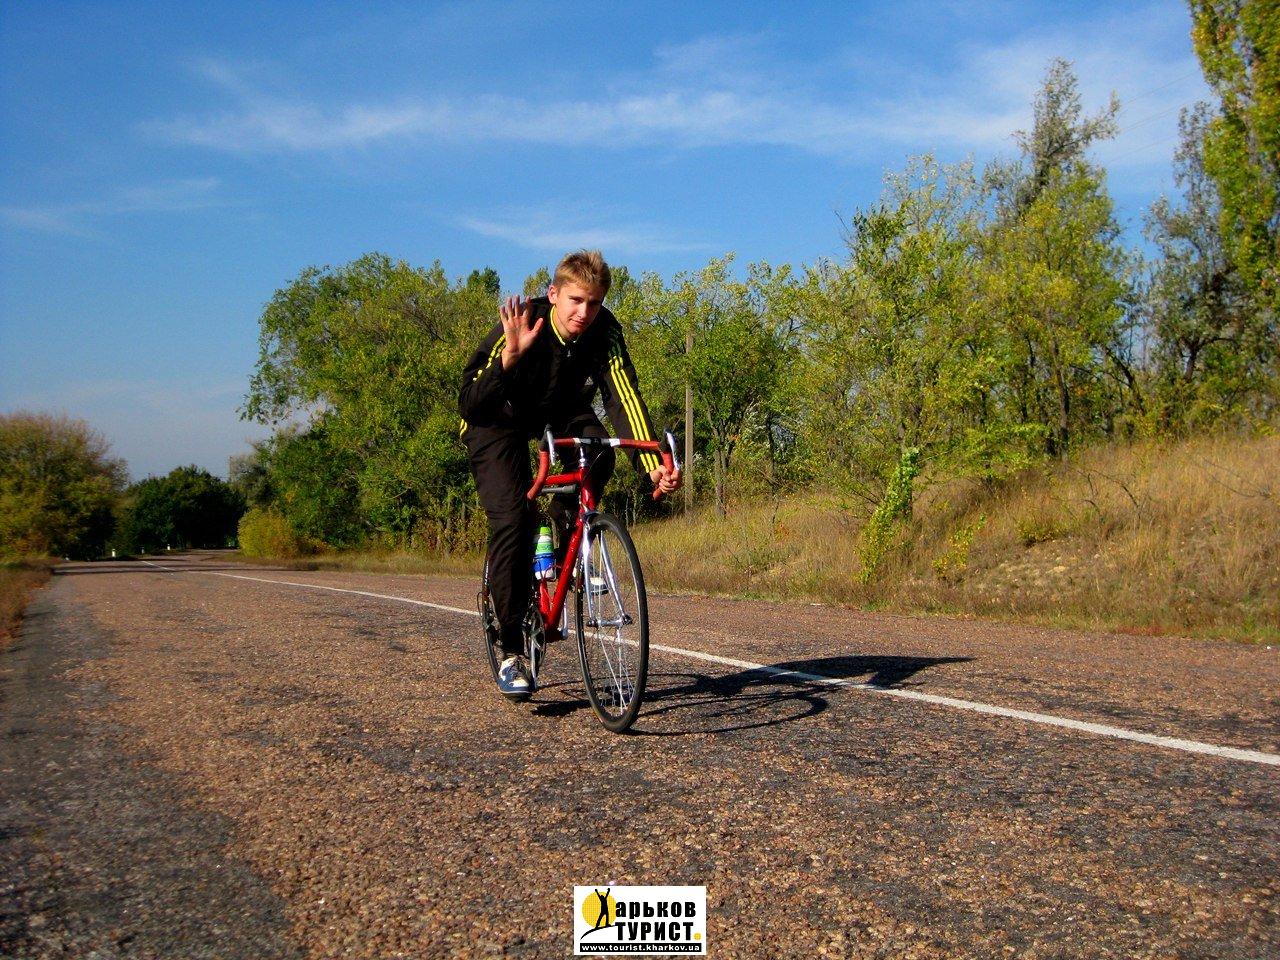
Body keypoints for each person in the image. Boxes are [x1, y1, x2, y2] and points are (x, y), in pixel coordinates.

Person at [459, 250, 681, 698]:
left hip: (559, 411)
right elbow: (470, 402)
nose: (584, 312)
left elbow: (623, 398)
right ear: (554, 294)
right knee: (513, 519)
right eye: (576, 300)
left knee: (601, 452)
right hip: (496, 417)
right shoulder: (525, 321)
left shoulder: (605, 331)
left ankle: (563, 544)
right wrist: (509, 359)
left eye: (594, 303)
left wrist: (653, 466)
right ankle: (511, 651)